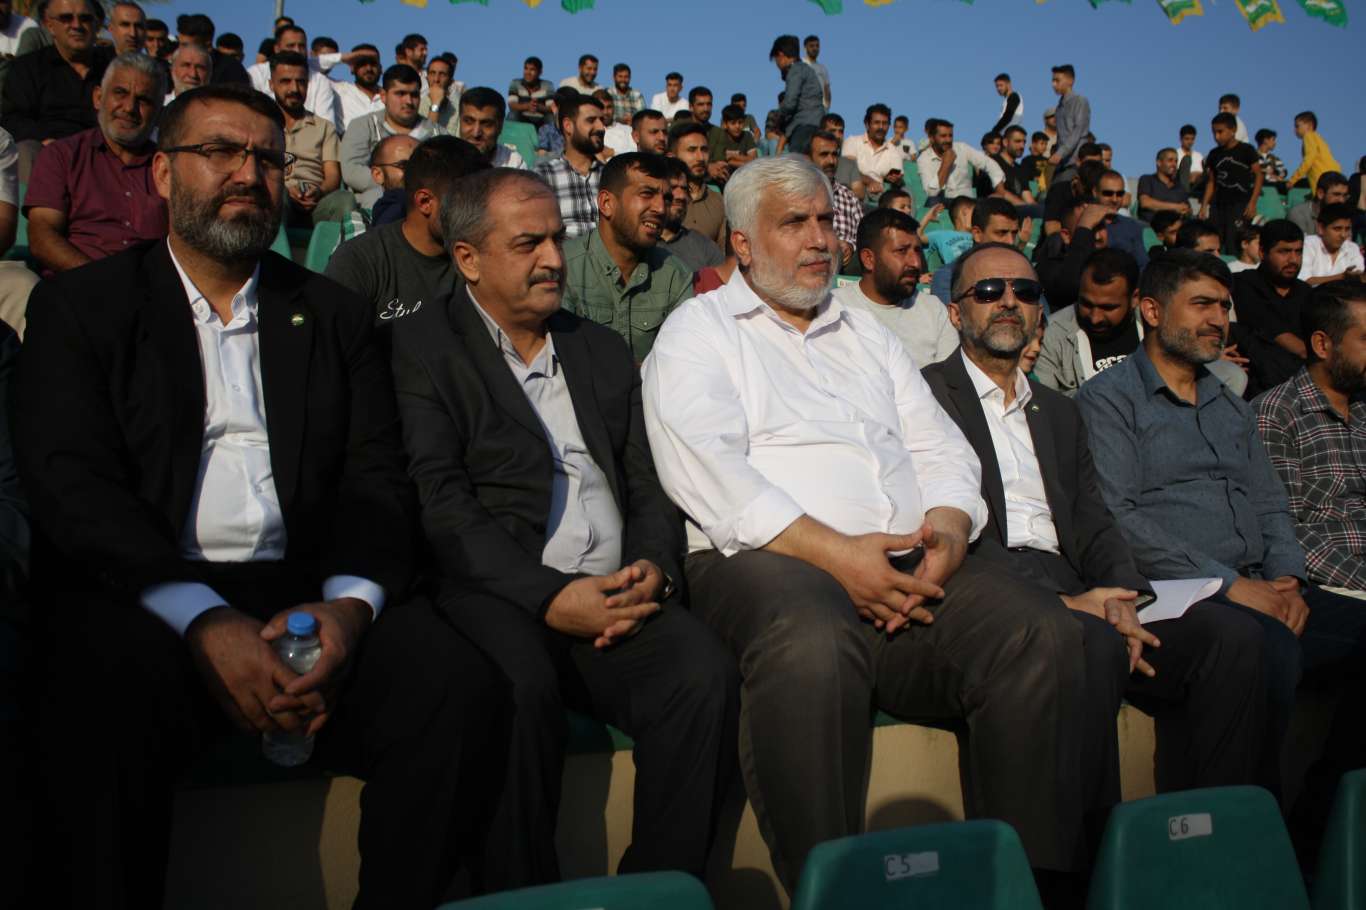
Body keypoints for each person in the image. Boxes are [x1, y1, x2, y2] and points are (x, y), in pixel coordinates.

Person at [12, 82, 506, 910]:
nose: (248, 173)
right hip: (149, 594)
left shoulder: (333, 314)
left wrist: (349, 609)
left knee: (456, 688)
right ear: (163, 173)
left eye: (268, 159)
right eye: (219, 151)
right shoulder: (83, 306)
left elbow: (376, 477)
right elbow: (72, 486)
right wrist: (202, 619)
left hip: (306, 592)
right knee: (86, 711)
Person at [642, 155, 1098, 897]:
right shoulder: (698, 332)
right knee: (813, 640)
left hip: (908, 563)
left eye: (826, 220)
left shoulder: (866, 334)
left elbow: (941, 449)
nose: (820, 239)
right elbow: (710, 473)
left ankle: (1023, 887)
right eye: (795, 223)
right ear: (743, 243)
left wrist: (948, 531)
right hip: (767, 560)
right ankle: (831, 891)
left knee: (1039, 630)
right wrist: (839, 559)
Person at [389, 164, 738, 891]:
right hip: (499, 593)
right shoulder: (422, 347)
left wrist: (653, 567)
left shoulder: (598, 349)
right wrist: (549, 596)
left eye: (556, 238)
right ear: (468, 259)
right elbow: (442, 504)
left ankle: (659, 892)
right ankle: (522, 897)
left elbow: (646, 482)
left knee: (700, 671)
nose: (554, 258)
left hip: (614, 590)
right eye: (528, 244)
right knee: (518, 691)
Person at [923, 243, 1265, 823]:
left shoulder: (1059, 410)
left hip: (1078, 579)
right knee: (1087, 640)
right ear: (956, 313)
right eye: (989, 291)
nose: (1008, 302)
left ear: (1039, 312)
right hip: (990, 581)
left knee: (1234, 640)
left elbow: (1094, 518)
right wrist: (1068, 603)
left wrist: (1123, 594)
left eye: (1025, 292)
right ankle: (1084, 854)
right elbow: (939, 528)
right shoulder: (925, 396)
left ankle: (1216, 836)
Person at [1076, 249, 1366, 863]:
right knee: (1260, 644)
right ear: (1152, 311)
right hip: (1175, 595)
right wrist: (1229, 584)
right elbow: (1119, 516)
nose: (1219, 320)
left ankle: (1320, 824)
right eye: (1202, 305)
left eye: (1225, 306)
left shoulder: (1231, 403)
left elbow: (1271, 504)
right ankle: (1242, 851)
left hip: (1262, 586)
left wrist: (1287, 578)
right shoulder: (1109, 400)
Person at [1254, 281, 1366, 597]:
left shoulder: (1361, 406)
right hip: (1332, 584)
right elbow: (1282, 531)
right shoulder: (1276, 414)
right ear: (1322, 345)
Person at [23, 51, 165, 276]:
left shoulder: (170, 169)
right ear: (98, 98)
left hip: (150, 290)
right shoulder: (62, 156)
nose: (129, 107)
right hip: (74, 284)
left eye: (143, 100)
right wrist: (99, 280)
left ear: (158, 112)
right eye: (120, 93)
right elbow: (42, 236)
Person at [326, 135, 485, 324]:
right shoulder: (359, 261)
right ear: (425, 202)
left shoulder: (480, 259)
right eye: (468, 203)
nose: (479, 214)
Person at [561, 152, 693, 362]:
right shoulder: (563, 268)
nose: (661, 209)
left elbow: (681, 363)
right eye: (647, 194)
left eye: (666, 199)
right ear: (606, 203)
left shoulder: (675, 276)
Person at [2, 0, 114, 182]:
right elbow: (14, 118)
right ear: (49, 25)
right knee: (26, 150)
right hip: (47, 154)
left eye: (85, 18)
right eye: (66, 18)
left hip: (105, 156)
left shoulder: (114, 70)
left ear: (97, 24)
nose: (77, 25)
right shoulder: (28, 68)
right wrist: (45, 140)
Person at [834, 207, 957, 367]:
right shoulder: (834, 309)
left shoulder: (935, 310)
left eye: (917, 251)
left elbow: (949, 378)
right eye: (901, 251)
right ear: (868, 259)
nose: (916, 263)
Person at [268, 52, 356, 227]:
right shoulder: (263, 125)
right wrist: (285, 190)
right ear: (271, 84)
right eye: (285, 81)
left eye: (301, 82)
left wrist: (318, 191)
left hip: (316, 202)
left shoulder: (324, 127)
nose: (294, 89)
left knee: (345, 200)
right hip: (278, 197)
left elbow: (332, 176)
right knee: (275, 194)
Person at [341, 64, 439, 211]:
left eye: (414, 95)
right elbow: (352, 171)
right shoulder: (363, 125)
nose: (408, 101)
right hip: (376, 199)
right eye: (400, 94)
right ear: (383, 96)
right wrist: (396, 183)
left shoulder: (437, 133)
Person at [1232, 219, 1313, 393]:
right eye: (1284, 251)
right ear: (1262, 252)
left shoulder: (1306, 293)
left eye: (1298, 252)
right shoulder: (1244, 284)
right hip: (1260, 384)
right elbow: (1270, 328)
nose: (1293, 259)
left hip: (1306, 379)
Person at [929, 197, 1024, 312]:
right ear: (977, 234)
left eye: (1014, 233)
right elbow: (948, 320)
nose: (1010, 241)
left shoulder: (1024, 275)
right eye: (1001, 233)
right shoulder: (948, 278)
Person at [533, 92, 606, 239]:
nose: (601, 127)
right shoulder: (543, 175)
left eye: (602, 120)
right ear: (568, 126)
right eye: (591, 120)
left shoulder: (610, 175)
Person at [247, 24, 340, 131]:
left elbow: (325, 127)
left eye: (302, 46)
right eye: (291, 45)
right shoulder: (256, 74)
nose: (297, 50)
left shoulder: (320, 81)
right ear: (277, 48)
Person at [1200, 112, 1263, 256]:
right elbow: (1211, 182)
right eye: (1214, 132)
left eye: (1220, 132)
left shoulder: (1246, 150)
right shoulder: (1214, 154)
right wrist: (1204, 206)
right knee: (1215, 242)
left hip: (1239, 205)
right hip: (1218, 205)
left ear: (1233, 129)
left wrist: (1252, 203)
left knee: (1234, 243)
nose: (1217, 136)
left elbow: (1258, 176)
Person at [1035, 197, 1110, 314]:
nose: (1098, 237)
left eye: (1100, 227)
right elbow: (1071, 287)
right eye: (1086, 230)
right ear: (1066, 236)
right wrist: (1084, 228)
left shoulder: (1115, 261)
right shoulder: (1051, 265)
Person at [657, 157, 722, 275]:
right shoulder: (639, 244)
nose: (681, 196)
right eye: (673, 188)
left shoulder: (704, 246)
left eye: (684, 189)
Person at [806, 130, 861, 270]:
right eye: (824, 154)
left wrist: (850, 246)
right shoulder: (796, 195)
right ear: (809, 159)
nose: (831, 161)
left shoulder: (850, 198)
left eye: (834, 155)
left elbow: (863, 237)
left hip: (846, 268)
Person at [667, 121, 726, 249]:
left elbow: (724, 254)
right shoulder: (660, 199)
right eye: (691, 150)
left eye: (704, 150)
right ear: (672, 157)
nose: (700, 158)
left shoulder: (719, 202)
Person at [916, 118, 1005, 203]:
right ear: (931, 138)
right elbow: (931, 193)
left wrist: (1000, 191)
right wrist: (946, 164)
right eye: (943, 136)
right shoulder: (924, 159)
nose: (948, 140)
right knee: (932, 201)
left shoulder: (962, 148)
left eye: (950, 136)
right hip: (942, 204)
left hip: (967, 202)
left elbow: (989, 164)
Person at [768, 34, 823, 155]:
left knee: (797, 163)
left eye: (776, 60)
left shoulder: (795, 71)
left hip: (804, 127)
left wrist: (777, 118)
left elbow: (790, 103)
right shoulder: (805, 69)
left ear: (781, 55)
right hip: (816, 123)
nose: (777, 66)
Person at [842, 103, 903, 198]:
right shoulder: (852, 142)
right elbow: (848, 170)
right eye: (877, 123)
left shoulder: (893, 151)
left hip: (879, 196)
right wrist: (870, 181)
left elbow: (897, 177)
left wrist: (896, 179)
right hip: (851, 193)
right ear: (867, 124)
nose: (881, 127)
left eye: (885, 123)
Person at [458, 86, 526, 169]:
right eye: (468, 121)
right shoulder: (445, 160)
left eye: (486, 124)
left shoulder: (513, 164)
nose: (476, 133)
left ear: (500, 126)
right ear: (459, 121)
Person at [173, 13, 249, 86]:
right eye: (179, 43)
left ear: (207, 45)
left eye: (186, 45)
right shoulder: (174, 64)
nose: (180, 49)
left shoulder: (232, 70)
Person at [1096, 169, 1149, 269]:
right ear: (1095, 192)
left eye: (1119, 194)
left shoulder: (1133, 227)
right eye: (1108, 193)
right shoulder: (1083, 223)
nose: (1114, 199)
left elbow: (1142, 265)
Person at [1299, 203, 1363, 285]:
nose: (1343, 235)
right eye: (1337, 229)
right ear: (1321, 228)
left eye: (1347, 229)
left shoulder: (1352, 248)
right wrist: (1342, 277)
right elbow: (1303, 282)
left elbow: (1360, 278)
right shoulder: (1308, 245)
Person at [364, 133, 418, 227]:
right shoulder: (396, 209)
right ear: (378, 174)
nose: (416, 171)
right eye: (404, 165)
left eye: (423, 164)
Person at [1048, 64, 1090, 176]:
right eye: (1053, 81)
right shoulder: (1059, 107)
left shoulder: (1080, 101)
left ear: (1070, 81)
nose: (1053, 84)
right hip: (1061, 165)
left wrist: (1060, 153)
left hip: (1076, 163)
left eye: (1057, 80)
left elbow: (1078, 131)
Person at [1287, 111, 1341, 194]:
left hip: (1322, 179)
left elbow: (1309, 159)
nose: (1294, 130)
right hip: (1335, 177)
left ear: (1309, 125)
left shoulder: (1308, 136)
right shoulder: (1318, 138)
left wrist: (1293, 180)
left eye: (1297, 126)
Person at [334, 44, 385, 130]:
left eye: (373, 63)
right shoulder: (339, 90)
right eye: (362, 64)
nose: (369, 68)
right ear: (352, 68)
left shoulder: (391, 96)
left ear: (380, 68)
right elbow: (313, 65)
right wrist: (343, 58)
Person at [1288, 170, 1350, 237]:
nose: (1341, 200)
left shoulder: (1342, 216)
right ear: (1320, 193)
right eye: (1336, 194)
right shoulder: (1299, 214)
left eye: (1345, 196)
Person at [707, 104, 757, 186]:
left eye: (740, 122)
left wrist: (732, 156)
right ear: (725, 124)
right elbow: (719, 162)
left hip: (743, 176)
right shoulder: (719, 135)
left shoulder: (747, 135)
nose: (737, 126)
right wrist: (744, 161)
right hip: (724, 177)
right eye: (733, 123)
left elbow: (754, 160)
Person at [1137, 148, 1191, 223]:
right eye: (1170, 160)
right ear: (1159, 162)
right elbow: (1145, 203)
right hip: (1151, 226)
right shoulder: (1147, 180)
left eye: (1176, 161)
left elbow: (1187, 208)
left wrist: (1186, 210)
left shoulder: (1180, 187)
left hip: (1176, 227)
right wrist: (1175, 207)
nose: (1174, 164)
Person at [507, 56, 552, 127]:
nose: (528, 72)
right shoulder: (515, 83)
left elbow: (551, 107)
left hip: (541, 119)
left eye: (532, 69)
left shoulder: (548, 85)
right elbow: (512, 105)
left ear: (540, 72)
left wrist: (538, 107)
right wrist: (527, 106)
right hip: (521, 117)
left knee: (551, 117)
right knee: (512, 115)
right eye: (526, 68)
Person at [420, 54, 459, 132]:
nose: (436, 79)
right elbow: (427, 136)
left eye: (442, 74)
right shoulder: (417, 107)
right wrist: (435, 104)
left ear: (451, 81)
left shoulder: (458, 111)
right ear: (427, 79)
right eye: (432, 73)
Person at [801, 34, 831, 109]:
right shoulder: (799, 64)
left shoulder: (823, 68)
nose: (815, 48)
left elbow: (827, 89)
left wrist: (827, 106)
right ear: (805, 47)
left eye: (817, 46)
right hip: (803, 107)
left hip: (820, 109)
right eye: (811, 46)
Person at [1257, 128, 1288, 196]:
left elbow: (1283, 172)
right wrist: (1264, 171)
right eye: (1273, 140)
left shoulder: (1275, 159)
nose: (1275, 143)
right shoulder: (1252, 156)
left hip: (1275, 186)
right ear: (1265, 140)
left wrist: (1275, 173)